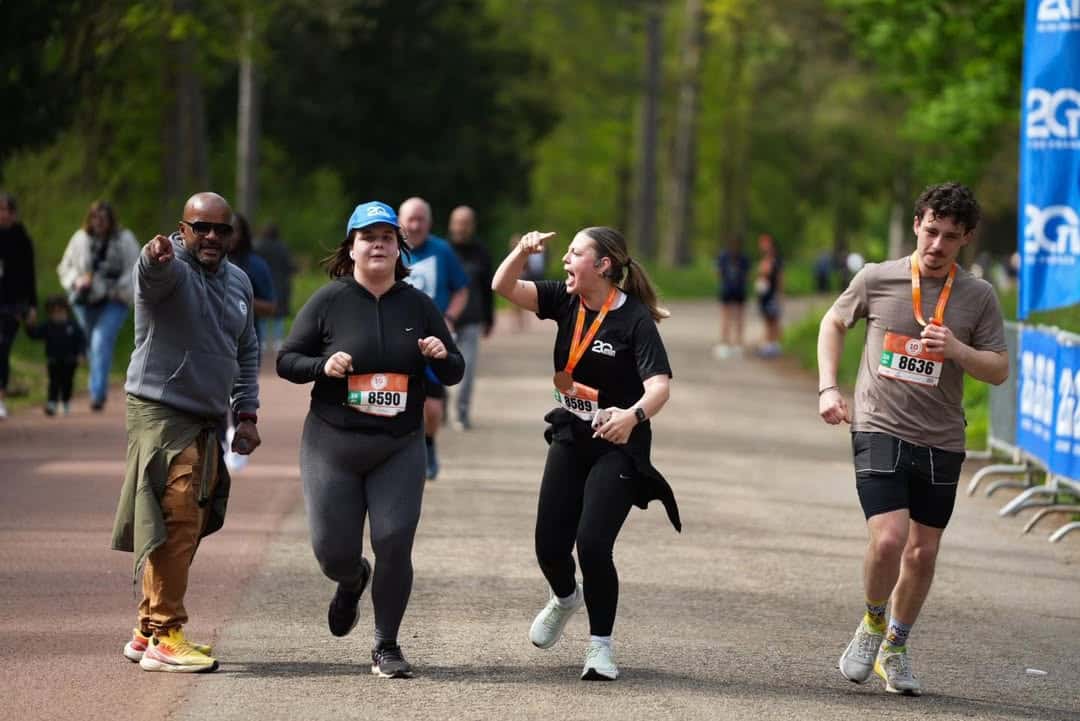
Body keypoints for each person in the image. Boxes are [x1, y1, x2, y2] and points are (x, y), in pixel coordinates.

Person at [818, 182, 1008, 696]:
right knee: (889, 539)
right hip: (878, 423)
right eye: (930, 231)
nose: (937, 245)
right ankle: (873, 623)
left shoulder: (978, 296)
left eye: (950, 236)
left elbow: (997, 370)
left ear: (966, 238)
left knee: (922, 554)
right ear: (917, 225)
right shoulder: (877, 279)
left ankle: (895, 648)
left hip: (941, 437)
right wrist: (829, 387)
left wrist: (958, 351)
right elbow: (834, 322)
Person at [277, 201, 463, 679]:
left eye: (386, 237)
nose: (377, 244)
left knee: (394, 541)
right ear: (352, 248)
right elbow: (287, 361)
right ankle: (351, 578)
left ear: (399, 249)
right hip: (332, 443)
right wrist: (323, 366)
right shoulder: (328, 301)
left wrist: (440, 355)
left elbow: (454, 368)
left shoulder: (418, 305)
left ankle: (386, 644)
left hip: (399, 443)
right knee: (331, 551)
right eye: (367, 237)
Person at [492, 226, 680, 682]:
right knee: (549, 547)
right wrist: (521, 249)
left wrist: (631, 416)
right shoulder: (564, 299)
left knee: (593, 544)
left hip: (618, 445)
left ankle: (600, 649)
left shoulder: (634, 320)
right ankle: (564, 597)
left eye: (574, 254)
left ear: (603, 266)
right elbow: (502, 287)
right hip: (571, 438)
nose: (565, 261)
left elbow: (660, 387)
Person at [112, 192, 261, 673]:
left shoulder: (239, 282)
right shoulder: (169, 264)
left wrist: (248, 414)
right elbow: (149, 278)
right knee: (173, 515)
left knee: (189, 521)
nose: (212, 237)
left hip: (207, 415)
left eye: (221, 229)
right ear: (183, 229)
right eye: (202, 228)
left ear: (232, 234)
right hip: (160, 409)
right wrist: (151, 258)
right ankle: (167, 634)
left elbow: (247, 352)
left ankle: (145, 629)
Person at [398, 197, 469, 480]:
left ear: (429, 222)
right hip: (394, 336)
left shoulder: (442, 251)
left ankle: (428, 445)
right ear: (400, 222)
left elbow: (461, 289)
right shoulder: (390, 248)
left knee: (432, 405)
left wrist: (449, 318)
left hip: (431, 338)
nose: (415, 225)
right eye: (410, 219)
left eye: (421, 219)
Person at [57, 200, 141, 411]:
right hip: (85, 301)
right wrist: (77, 281)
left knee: (100, 341)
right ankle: (96, 386)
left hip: (115, 300)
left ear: (111, 220)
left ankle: (97, 394)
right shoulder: (80, 238)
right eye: (95, 217)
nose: (99, 222)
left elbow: (136, 267)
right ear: (90, 218)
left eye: (103, 218)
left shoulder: (124, 239)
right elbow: (64, 267)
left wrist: (119, 289)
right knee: (91, 345)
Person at [447, 205, 494, 430]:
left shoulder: (481, 253)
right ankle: (441, 411)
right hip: (444, 320)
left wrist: (489, 318)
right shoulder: (443, 251)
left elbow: (489, 288)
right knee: (440, 370)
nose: (461, 228)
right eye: (457, 222)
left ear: (472, 226)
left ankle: (462, 413)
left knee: (467, 370)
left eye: (465, 223)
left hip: (472, 320)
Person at [0, 192, 37, 419]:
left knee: (2, 348)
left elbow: (30, 275)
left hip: (13, 305)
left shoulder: (22, 238)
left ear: (13, 213)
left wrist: (31, 306)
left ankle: (1, 397)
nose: (2, 214)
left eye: (6, 210)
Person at [25, 294, 85, 416]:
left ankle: (65, 402)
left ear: (66, 311)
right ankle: (51, 403)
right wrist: (29, 325)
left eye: (60, 312)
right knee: (54, 382)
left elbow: (81, 340)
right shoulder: (48, 326)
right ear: (50, 313)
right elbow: (34, 335)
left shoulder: (73, 326)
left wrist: (81, 354)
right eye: (54, 312)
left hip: (70, 360)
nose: (57, 315)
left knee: (67, 382)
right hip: (53, 360)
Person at [227, 213, 276, 350]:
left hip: (244, 347)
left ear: (242, 234)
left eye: (234, 230)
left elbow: (270, 307)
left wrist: (239, 298)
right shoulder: (205, 261)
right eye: (224, 230)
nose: (229, 235)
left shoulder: (256, 265)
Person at [254, 222, 296, 353]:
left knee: (262, 314)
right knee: (279, 314)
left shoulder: (258, 246)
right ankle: (278, 341)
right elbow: (290, 266)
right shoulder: (282, 247)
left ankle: (263, 341)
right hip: (281, 284)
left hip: (261, 283)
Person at [714, 233, 750, 358]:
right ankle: (728, 342)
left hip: (734, 290)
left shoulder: (740, 258)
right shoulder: (726, 257)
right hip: (730, 290)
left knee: (736, 317)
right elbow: (719, 273)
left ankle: (736, 343)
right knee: (727, 317)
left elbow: (718, 273)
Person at [754, 233, 783, 358]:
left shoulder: (775, 261)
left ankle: (774, 344)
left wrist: (780, 294)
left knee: (773, 319)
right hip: (764, 295)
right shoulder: (763, 260)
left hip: (772, 294)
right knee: (767, 319)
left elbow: (780, 278)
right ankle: (768, 344)